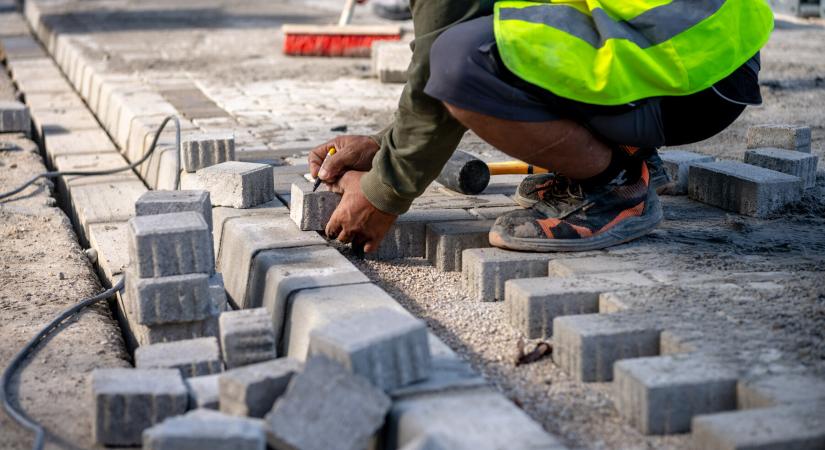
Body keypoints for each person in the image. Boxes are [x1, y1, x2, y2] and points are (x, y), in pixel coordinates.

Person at [309, 0, 773, 253]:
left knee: (462, 64)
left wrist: (381, 193)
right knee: (499, 45)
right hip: (706, 51)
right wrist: (383, 146)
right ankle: (629, 150)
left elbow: (440, 64)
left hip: (690, 71)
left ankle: (614, 184)